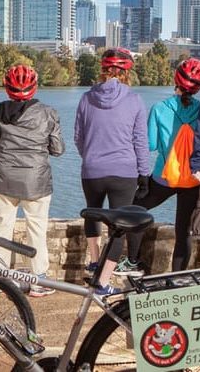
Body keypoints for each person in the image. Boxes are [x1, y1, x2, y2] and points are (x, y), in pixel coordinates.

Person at [0, 65, 64, 297]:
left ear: (7, 88)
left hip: (3, 180)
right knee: (37, 229)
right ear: (34, 87)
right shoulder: (48, 113)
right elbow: (57, 149)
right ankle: (39, 280)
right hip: (37, 181)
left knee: (2, 227)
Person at [74, 47, 150, 295]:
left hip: (92, 170)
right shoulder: (135, 100)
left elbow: (79, 137)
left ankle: (94, 261)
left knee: (93, 215)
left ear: (103, 70)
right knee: (119, 228)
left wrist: (91, 156)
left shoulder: (86, 98)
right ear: (127, 72)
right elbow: (140, 141)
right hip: (124, 172)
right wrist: (144, 173)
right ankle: (103, 282)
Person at [136, 58, 200, 271]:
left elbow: (151, 144)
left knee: (134, 209)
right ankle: (177, 279)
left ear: (176, 80)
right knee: (184, 231)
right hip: (192, 180)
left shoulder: (159, 108)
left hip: (163, 177)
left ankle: (131, 260)